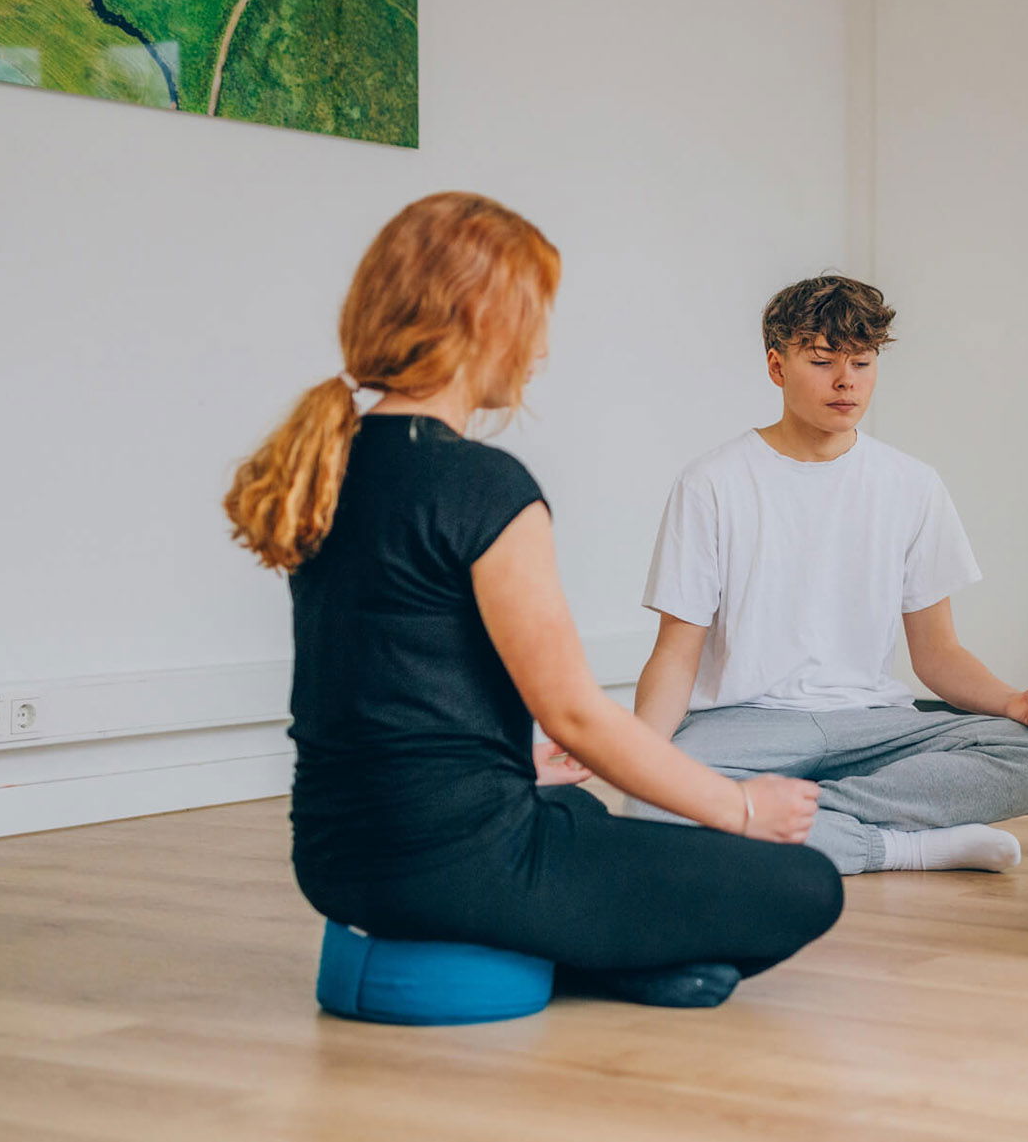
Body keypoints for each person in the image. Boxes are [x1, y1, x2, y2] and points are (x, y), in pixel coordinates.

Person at [225, 193, 842, 1009]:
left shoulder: (330, 465)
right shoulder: (483, 484)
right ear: (483, 317)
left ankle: (610, 953)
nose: (542, 345)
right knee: (804, 882)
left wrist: (518, 754)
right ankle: (586, 955)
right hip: (454, 861)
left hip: (335, 860)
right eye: (534, 316)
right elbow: (577, 714)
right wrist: (740, 805)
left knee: (575, 809)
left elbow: (396, 674)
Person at [621, 275, 1028, 875]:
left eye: (862, 362)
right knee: (648, 805)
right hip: (743, 728)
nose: (846, 381)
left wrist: (1013, 701)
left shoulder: (913, 485)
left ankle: (768, 817)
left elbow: (937, 655)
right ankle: (900, 846)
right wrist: (638, 760)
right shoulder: (712, 483)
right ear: (777, 366)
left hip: (871, 726)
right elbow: (677, 654)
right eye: (822, 360)